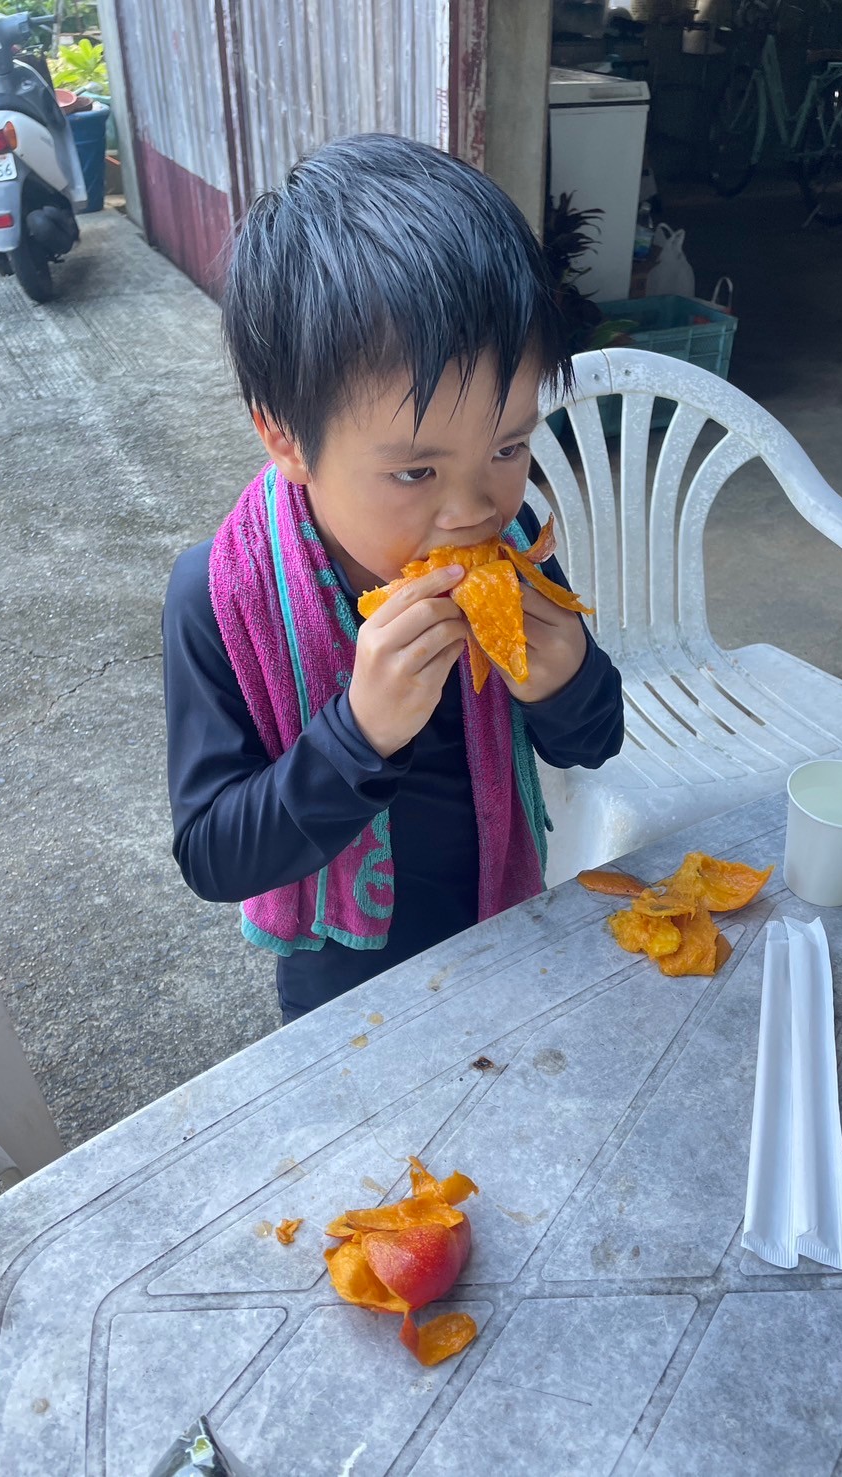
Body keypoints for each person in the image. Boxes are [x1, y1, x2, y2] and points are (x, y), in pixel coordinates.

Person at [162, 133, 624, 1024]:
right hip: (340, 984)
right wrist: (359, 734)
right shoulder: (220, 600)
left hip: (498, 921)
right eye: (416, 471)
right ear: (286, 437)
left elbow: (593, 741)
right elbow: (214, 855)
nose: (471, 509)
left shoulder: (511, 541)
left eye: (508, 447)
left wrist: (567, 680)